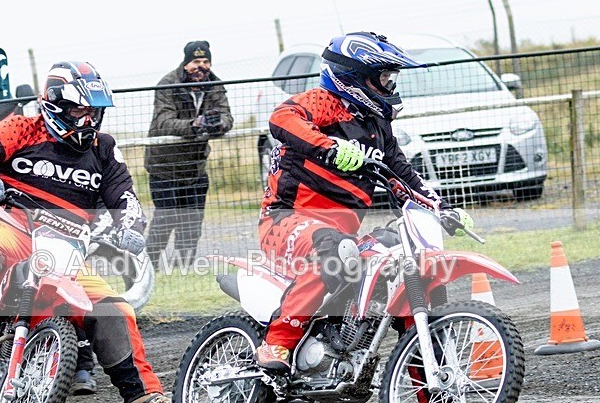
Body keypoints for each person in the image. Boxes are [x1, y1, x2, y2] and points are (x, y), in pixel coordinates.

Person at [0, 61, 174, 403]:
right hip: (9, 227)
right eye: (80, 111)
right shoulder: (22, 128)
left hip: (66, 248)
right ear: (55, 105)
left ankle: (142, 400)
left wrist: (132, 227)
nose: (88, 121)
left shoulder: (104, 149)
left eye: (95, 113)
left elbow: (126, 199)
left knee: (116, 310)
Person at [256, 31, 473, 374]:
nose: (390, 86)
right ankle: (276, 343)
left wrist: (441, 208)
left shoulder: (378, 126)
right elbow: (282, 118)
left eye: (391, 78)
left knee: (401, 259)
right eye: (383, 77)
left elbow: (402, 175)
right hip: (286, 222)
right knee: (333, 247)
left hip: (342, 230)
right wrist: (328, 148)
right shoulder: (324, 102)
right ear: (354, 78)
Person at [143, 40, 233, 270]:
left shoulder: (214, 84)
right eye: (195, 61)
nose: (200, 66)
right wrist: (195, 124)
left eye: (205, 61)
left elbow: (227, 117)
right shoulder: (167, 84)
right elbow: (163, 122)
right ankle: (147, 267)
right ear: (185, 63)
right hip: (165, 166)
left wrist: (217, 124)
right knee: (165, 219)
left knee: (192, 223)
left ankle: (183, 269)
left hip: (195, 167)